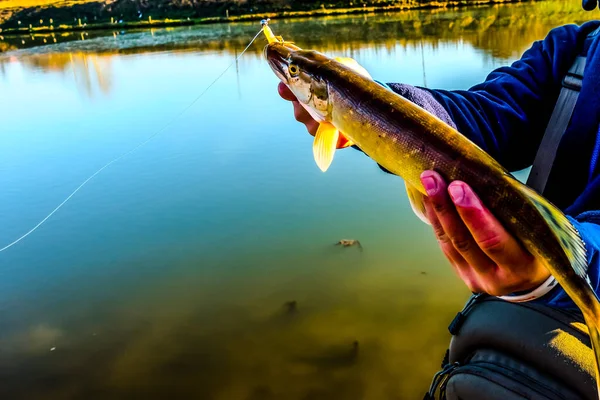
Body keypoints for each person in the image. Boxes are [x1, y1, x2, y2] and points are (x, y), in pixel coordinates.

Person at [277, 4, 600, 398]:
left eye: (294, 72)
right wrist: (378, 98)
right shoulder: (572, 50)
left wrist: (557, 277)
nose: (284, 70)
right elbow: (484, 117)